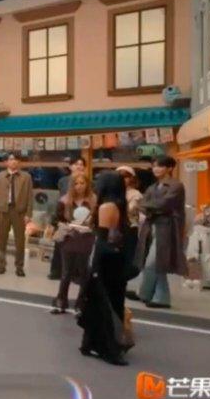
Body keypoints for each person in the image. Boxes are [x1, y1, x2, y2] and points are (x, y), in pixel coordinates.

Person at [77, 171, 136, 366]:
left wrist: (93, 266)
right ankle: (93, 344)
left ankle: (106, 347)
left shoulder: (106, 207)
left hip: (104, 259)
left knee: (101, 303)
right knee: (112, 301)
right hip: (117, 258)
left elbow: (101, 240)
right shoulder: (120, 205)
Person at [127, 156, 187, 309]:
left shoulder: (176, 186)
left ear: (170, 168)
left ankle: (150, 294)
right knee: (155, 262)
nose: (156, 169)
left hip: (167, 227)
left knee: (153, 262)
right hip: (151, 226)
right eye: (154, 166)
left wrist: (146, 207)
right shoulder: (153, 186)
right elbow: (144, 204)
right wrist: (146, 207)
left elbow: (163, 204)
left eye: (160, 166)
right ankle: (154, 296)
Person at [51, 174, 97, 314]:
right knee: (66, 272)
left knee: (83, 272)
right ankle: (61, 301)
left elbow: (97, 221)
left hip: (86, 237)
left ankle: (81, 304)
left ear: (87, 184)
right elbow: (55, 219)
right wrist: (66, 225)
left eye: (82, 183)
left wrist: (90, 227)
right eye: (76, 183)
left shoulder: (93, 200)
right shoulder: (65, 200)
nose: (79, 186)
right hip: (69, 237)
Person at [0, 152, 33, 276]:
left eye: (16, 159)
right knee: (1, 240)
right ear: (6, 162)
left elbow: (30, 196)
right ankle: (1, 265)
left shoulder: (26, 177)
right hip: (3, 211)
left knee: (20, 241)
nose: (13, 161)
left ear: (19, 162)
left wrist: (28, 214)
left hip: (19, 211)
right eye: (11, 159)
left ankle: (19, 266)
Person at [51, 157, 87, 279]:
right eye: (76, 164)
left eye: (81, 164)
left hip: (79, 215)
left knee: (77, 244)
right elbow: (60, 198)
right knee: (60, 242)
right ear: (71, 166)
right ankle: (56, 271)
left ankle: (74, 273)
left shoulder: (88, 181)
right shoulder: (63, 181)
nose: (79, 166)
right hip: (64, 214)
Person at [116, 166, 144, 230]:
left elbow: (131, 209)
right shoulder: (112, 192)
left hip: (130, 226)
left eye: (125, 177)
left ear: (132, 178)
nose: (122, 179)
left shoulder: (136, 194)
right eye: (119, 177)